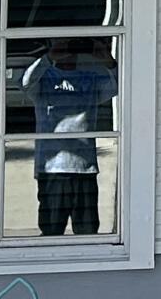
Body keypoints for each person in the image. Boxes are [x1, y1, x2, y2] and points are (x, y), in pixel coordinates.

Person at [23, 38, 114, 236]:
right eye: (62, 45)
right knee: (51, 231)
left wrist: (108, 61)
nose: (68, 51)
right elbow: (25, 82)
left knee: (87, 231)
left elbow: (119, 86)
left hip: (84, 168)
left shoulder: (90, 79)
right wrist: (48, 58)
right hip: (52, 168)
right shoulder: (44, 78)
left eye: (72, 45)